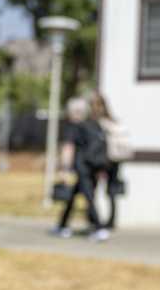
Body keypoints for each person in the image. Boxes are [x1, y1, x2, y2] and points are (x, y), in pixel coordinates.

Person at [53, 97, 109, 241]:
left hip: (82, 168)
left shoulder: (74, 127)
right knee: (72, 197)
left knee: (89, 198)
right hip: (94, 168)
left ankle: (99, 227)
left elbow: (68, 148)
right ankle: (62, 225)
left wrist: (64, 169)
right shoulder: (94, 124)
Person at [90, 91, 130, 233]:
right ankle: (111, 220)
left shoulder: (98, 122)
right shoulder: (112, 119)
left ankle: (94, 219)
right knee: (111, 190)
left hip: (104, 160)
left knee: (93, 189)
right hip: (116, 159)